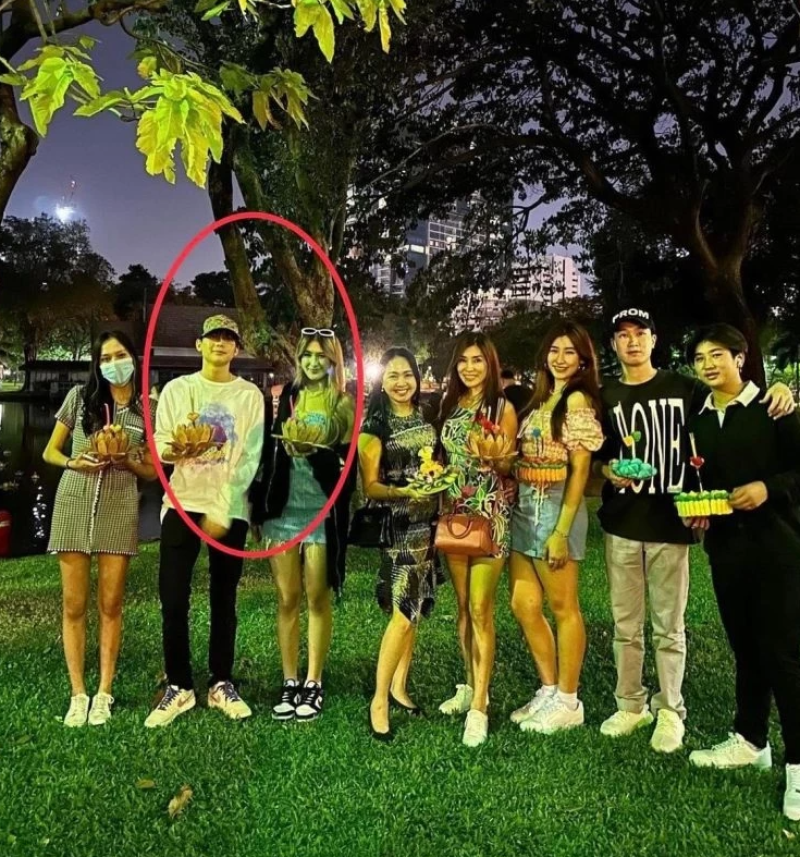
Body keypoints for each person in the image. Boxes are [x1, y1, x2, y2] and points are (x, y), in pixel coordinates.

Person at [593, 307, 795, 753]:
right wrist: (608, 470)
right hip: (627, 523)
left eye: (640, 333)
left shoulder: (686, 389)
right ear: (613, 344)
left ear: (654, 339)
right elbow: (596, 455)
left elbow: (736, 395)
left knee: (670, 626)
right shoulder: (606, 395)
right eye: (622, 335)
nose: (632, 341)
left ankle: (671, 710)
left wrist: (778, 389)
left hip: (676, 523)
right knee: (626, 624)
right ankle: (630, 704)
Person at [681, 324, 800, 821]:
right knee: (746, 648)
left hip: (778, 548)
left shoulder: (774, 408)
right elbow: (701, 480)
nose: (708, 365)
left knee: (784, 656)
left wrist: (768, 488)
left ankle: (798, 767)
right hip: (727, 551)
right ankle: (751, 741)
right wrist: (698, 510)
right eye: (700, 358)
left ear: (740, 357)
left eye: (717, 355)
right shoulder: (700, 420)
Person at [145, 314, 264, 728]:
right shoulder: (178, 390)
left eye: (229, 338)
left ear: (236, 348)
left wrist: (225, 502)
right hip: (182, 503)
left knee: (223, 597)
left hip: (228, 507)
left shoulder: (249, 395)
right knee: (173, 596)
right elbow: (160, 443)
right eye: (213, 336)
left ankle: (221, 682)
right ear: (199, 344)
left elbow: (251, 455)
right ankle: (179, 686)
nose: (220, 343)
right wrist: (179, 448)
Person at [43, 330, 157, 727]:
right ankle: (78, 693)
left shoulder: (148, 408)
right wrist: (74, 462)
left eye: (119, 355)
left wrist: (127, 458)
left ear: (133, 358)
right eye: (105, 358)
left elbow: (152, 472)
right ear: (97, 364)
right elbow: (50, 451)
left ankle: (104, 691)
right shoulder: (80, 398)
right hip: (74, 501)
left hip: (119, 506)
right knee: (74, 605)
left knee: (111, 604)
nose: (113, 364)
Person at [250, 328, 356, 723]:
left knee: (316, 597)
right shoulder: (285, 398)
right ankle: (289, 679)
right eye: (307, 354)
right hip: (283, 510)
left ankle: (314, 680)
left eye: (321, 356)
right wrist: (258, 506)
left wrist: (316, 449)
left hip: (321, 510)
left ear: (332, 361)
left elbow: (346, 457)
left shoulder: (342, 402)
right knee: (286, 598)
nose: (313, 362)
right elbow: (268, 454)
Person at [509, 322, 604, 734]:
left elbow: (580, 470)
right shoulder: (543, 398)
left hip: (554, 508)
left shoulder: (577, 400)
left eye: (569, 352)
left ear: (583, 360)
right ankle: (548, 688)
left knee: (564, 608)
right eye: (554, 350)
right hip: (524, 507)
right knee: (523, 604)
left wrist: (561, 531)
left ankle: (569, 699)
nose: (560, 358)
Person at [437, 331, 518, 747]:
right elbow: (443, 457)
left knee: (481, 608)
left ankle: (480, 707)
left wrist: (494, 457)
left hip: (489, 515)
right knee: (463, 608)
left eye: (478, 361)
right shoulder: (450, 404)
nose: (470, 368)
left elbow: (508, 463)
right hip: (454, 514)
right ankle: (469, 684)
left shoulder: (501, 407)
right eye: (464, 361)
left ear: (490, 364)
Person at [358, 348, 440, 741]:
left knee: (416, 608)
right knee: (403, 613)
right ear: (382, 381)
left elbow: (433, 464)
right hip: (399, 526)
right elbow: (370, 487)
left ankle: (399, 686)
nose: (401, 382)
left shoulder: (426, 416)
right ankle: (378, 700)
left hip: (429, 525)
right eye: (392, 375)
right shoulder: (375, 428)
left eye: (407, 374)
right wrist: (403, 491)